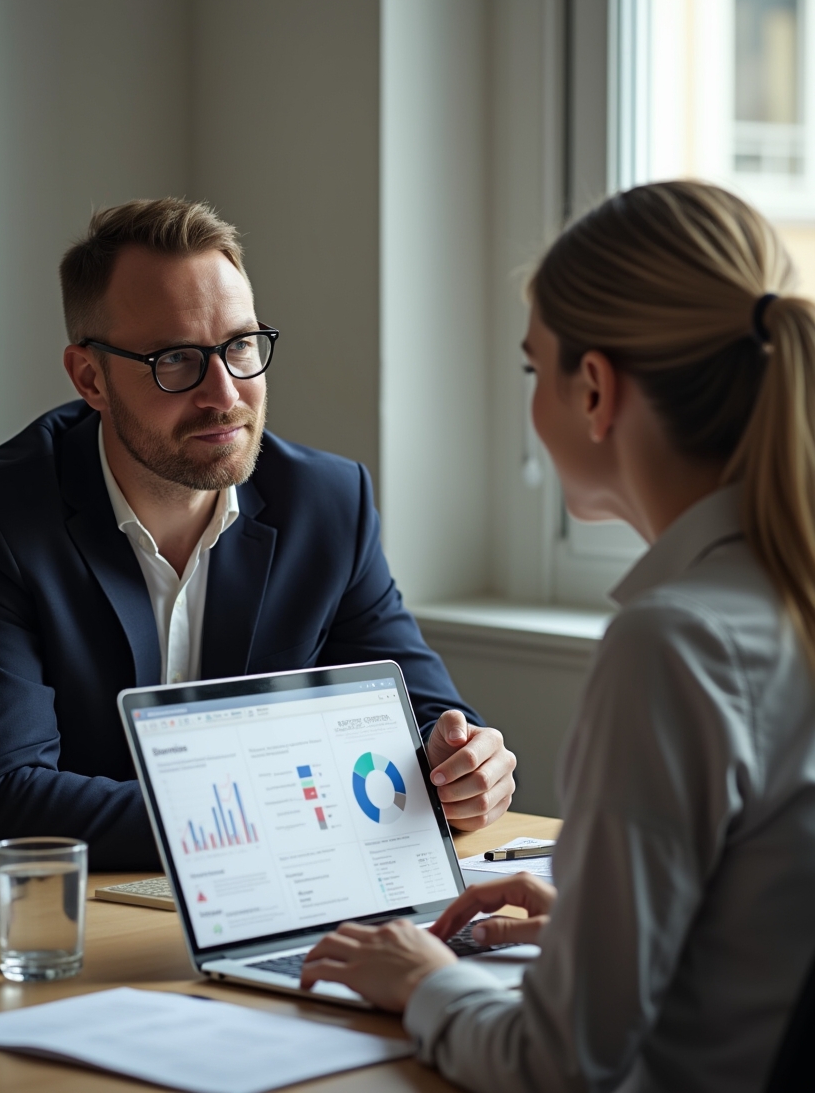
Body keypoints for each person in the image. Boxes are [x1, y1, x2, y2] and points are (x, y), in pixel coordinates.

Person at [300, 181, 815, 1092]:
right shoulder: (780, 603)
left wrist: (428, 983)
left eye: (534, 369)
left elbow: (558, 1065)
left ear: (594, 389)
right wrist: (591, 924)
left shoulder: (675, 645)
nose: (533, 401)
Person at [0, 198, 516, 869]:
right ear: (90, 376)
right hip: (82, 923)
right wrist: (287, 813)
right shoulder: (1, 516)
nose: (225, 393)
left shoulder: (326, 503)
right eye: (175, 359)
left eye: (239, 346)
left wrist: (462, 766)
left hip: (283, 902)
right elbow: (3, 795)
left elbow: (419, 715)